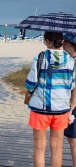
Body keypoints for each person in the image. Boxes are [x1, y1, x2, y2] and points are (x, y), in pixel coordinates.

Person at [25, 31, 75, 167]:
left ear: (48, 42)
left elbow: (30, 84)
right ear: (62, 42)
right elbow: (72, 85)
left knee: (39, 148)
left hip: (40, 109)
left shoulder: (40, 58)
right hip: (61, 109)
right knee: (57, 148)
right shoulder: (71, 60)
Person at [63, 33, 76, 166]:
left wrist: (70, 110)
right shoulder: (70, 60)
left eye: (66, 41)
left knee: (72, 139)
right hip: (71, 103)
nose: (63, 43)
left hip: (74, 104)